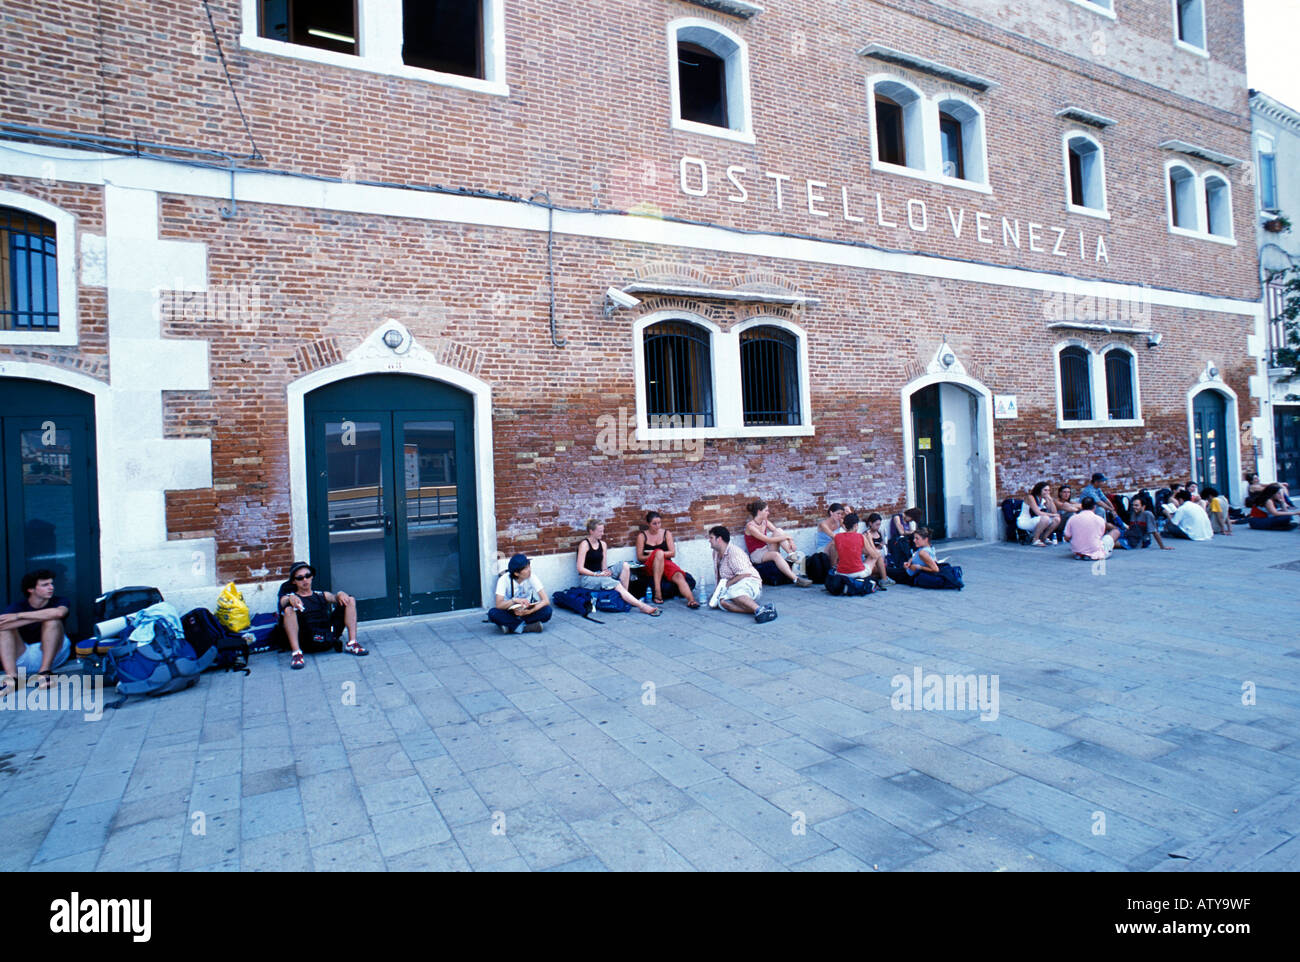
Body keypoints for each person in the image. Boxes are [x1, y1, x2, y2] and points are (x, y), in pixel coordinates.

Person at [278, 561, 367, 670]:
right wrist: (291, 598)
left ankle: (352, 643)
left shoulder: (320, 595)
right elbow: (283, 602)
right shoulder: (291, 597)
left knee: (350, 600)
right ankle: (296, 653)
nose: (305, 580)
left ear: (312, 577)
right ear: (294, 581)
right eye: (300, 578)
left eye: (307, 576)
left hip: (327, 636)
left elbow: (333, 597)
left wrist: (340, 594)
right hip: (305, 640)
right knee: (288, 609)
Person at [0, 569, 72, 693]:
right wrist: (42, 615)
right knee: (4, 629)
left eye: (51, 584)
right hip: (24, 656)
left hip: (54, 654)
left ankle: (44, 673)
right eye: (45, 585)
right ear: (31, 589)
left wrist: (18, 616)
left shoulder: (60, 601)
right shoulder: (17, 606)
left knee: (53, 621)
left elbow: (59, 613)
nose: (51, 588)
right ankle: (12, 678)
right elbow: (2, 624)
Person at [577, 520, 660, 615]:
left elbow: (604, 565)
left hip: (600, 574)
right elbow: (580, 568)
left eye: (603, 530)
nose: (602, 533)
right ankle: (642, 606)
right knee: (615, 583)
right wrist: (597, 574)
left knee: (625, 565)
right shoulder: (584, 545)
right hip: (587, 578)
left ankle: (624, 598)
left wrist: (606, 572)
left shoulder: (603, 544)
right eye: (600, 531)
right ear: (591, 531)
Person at [708, 526, 776, 623]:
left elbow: (745, 574)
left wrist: (727, 585)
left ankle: (758, 609)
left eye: (711, 538)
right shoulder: (715, 553)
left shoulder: (734, 552)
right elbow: (719, 576)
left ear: (719, 539)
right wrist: (718, 592)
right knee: (722, 603)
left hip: (750, 581)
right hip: (734, 584)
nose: (709, 540)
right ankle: (763, 609)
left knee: (734, 592)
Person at [636, 511, 699, 607]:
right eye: (654, 524)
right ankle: (658, 592)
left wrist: (657, 553)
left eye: (659, 523)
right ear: (648, 524)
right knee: (659, 553)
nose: (657, 526)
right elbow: (640, 557)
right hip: (650, 564)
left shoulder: (666, 533)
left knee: (679, 575)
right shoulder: (642, 536)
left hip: (666, 563)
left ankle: (691, 600)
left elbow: (672, 553)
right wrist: (654, 555)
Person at [744, 501, 812, 587]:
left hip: (766, 549)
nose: (768, 513)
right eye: (766, 510)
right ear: (759, 511)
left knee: (778, 531)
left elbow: (778, 532)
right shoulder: (750, 527)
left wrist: (790, 540)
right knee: (776, 555)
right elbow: (768, 539)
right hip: (757, 554)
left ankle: (792, 555)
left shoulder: (765, 522)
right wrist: (787, 537)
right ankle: (796, 579)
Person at [490, 553, 552, 633]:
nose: (529, 570)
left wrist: (530, 611)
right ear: (516, 573)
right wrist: (514, 601)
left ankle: (511, 626)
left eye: (529, 566)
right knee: (493, 613)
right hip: (510, 611)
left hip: (527, 611)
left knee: (547, 611)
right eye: (525, 568)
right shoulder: (503, 579)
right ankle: (527, 627)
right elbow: (499, 605)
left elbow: (546, 600)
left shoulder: (532, 577)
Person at [833, 512, 890, 589]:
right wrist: (869, 539)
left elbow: (838, 555)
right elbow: (874, 555)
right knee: (878, 553)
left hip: (840, 572)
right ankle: (884, 580)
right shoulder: (860, 536)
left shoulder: (837, 537)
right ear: (856, 525)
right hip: (857, 572)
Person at [1063, 496, 1119, 560]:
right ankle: (1091, 553)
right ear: (1094, 507)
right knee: (1116, 532)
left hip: (1077, 549)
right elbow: (1100, 535)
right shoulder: (1099, 519)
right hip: (1095, 549)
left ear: (1081, 506)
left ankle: (1082, 553)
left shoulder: (1072, 518)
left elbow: (1066, 537)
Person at [1018, 481, 1062, 547]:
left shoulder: (1043, 499)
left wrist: (1050, 500)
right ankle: (1035, 540)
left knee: (1057, 519)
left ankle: (1044, 538)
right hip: (1025, 521)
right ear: (1039, 489)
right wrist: (1053, 515)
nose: (1047, 492)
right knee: (1045, 518)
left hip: (1037, 520)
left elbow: (1054, 512)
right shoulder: (1030, 497)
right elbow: (1038, 512)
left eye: (1048, 490)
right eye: (1045, 490)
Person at [814, 503, 847, 569]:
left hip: (835, 546)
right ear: (831, 512)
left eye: (841, 514)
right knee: (835, 541)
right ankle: (833, 568)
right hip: (823, 548)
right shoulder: (823, 524)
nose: (840, 516)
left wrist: (848, 515)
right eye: (838, 513)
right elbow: (834, 537)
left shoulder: (840, 521)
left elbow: (850, 531)